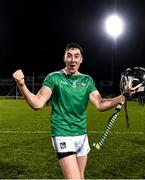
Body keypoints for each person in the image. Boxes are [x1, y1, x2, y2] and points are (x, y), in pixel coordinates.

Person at [13, 42, 126, 179]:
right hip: (62, 134)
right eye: (69, 56)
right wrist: (22, 85)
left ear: (81, 60)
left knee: (81, 176)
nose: (73, 60)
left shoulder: (87, 80)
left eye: (76, 56)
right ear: (64, 58)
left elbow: (100, 104)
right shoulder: (54, 78)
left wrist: (123, 96)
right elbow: (37, 103)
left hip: (82, 135)